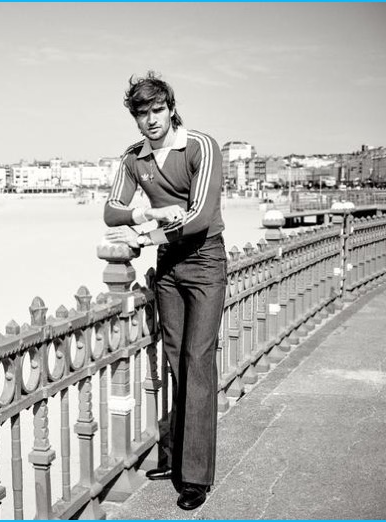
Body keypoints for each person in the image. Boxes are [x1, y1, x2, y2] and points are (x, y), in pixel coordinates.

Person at [103, 71, 226, 511]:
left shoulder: (201, 146)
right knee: (176, 360)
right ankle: (175, 458)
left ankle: (195, 477)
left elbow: (200, 218)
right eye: (143, 113)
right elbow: (111, 211)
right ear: (135, 118)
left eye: (158, 110)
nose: (152, 120)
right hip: (169, 267)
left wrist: (146, 236)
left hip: (206, 261)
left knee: (198, 361)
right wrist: (146, 214)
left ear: (171, 108)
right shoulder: (133, 158)